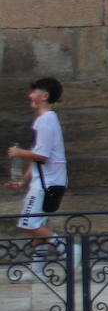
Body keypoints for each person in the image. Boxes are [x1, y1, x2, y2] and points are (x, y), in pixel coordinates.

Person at [6, 77, 67, 274]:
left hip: (47, 183)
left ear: (44, 96)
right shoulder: (46, 120)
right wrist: (22, 182)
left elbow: (42, 155)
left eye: (34, 92)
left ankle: (70, 249)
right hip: (46, 181)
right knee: (37, 226)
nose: (30, 95)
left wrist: (18, 153)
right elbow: (38, 160)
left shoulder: (46, 120)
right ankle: (37, 270)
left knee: (28, 223)